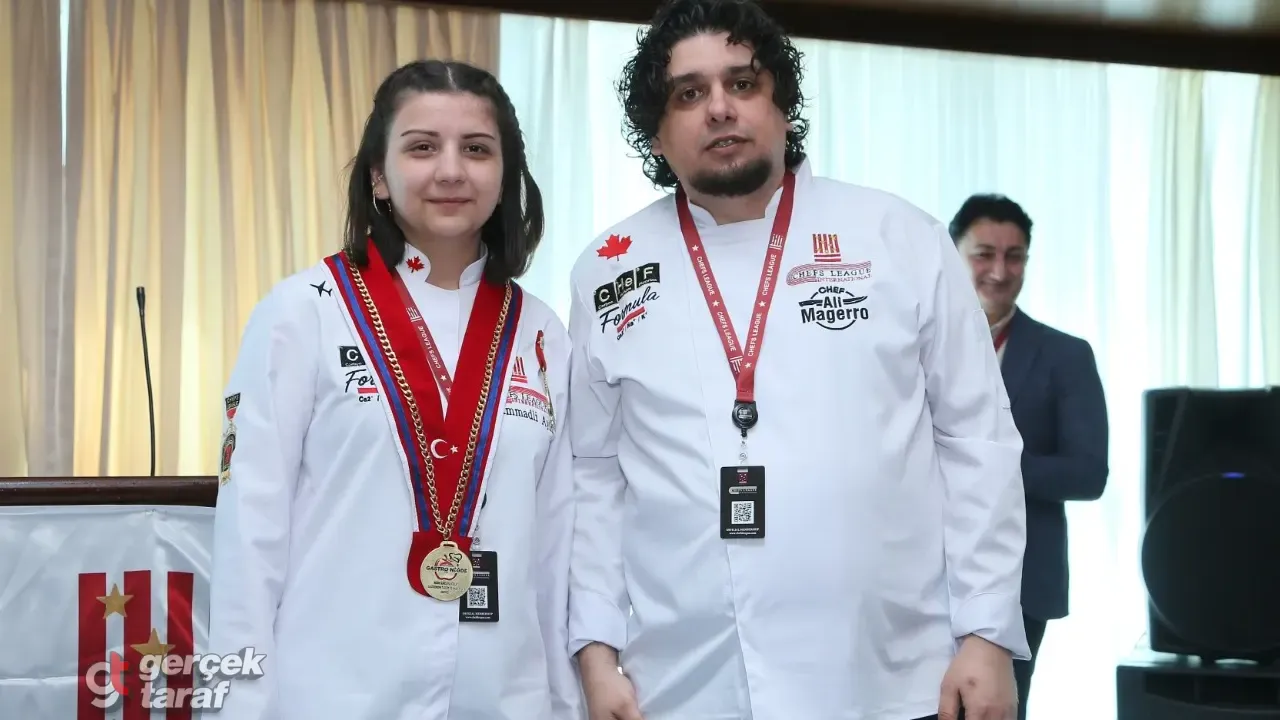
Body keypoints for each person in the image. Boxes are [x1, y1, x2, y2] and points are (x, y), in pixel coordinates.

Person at [565, 1, 1030, 719]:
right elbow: (593, 475)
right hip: (681, 685)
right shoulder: (609, 269)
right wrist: (596, 653)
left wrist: (987, 633)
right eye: (688, 93)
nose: (719, 108)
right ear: (656, 133)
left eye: (742, 83)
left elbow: (977, 442)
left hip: (893, 677)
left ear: (783, 105)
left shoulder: (898, 237)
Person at [209, 60, 580, 720]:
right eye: (422, 147)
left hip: (503, 698)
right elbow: (250, 533)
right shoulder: (303, 311)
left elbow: (555, 547)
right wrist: (238, 704)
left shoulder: (542, 332)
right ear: (378, 175)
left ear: (506, 177)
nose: (451, 170)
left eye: (477, 149)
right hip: (333, 696)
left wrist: (561, 703)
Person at [950, 194, 1109, 720]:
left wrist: (983, 465)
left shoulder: (1066, 355)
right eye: (984, 254)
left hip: (1021, 583)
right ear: (953, 255)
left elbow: (1088, 473)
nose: (1000, 271)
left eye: (1014, 256)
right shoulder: (916, 345)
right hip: (920, 578)